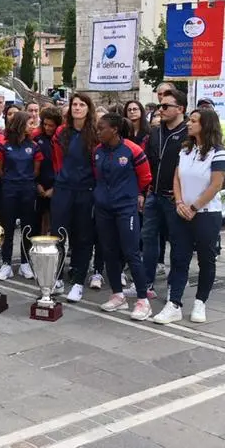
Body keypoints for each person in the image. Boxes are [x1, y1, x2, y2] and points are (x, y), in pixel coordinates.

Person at [153, 108, 225, 324]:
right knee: (179, 258)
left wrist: (194, 207)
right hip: (181, 212)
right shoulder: (185, 150)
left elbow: (215, 185)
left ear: (206, 125)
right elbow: (176, 179)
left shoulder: (218, 152)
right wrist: (179, 202)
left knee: (206, 259)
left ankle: (200, 301)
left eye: (194, 121)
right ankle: (174, 303)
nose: (188, 124)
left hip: (206, 214)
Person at [94, 113, 153, 320]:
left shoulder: (132, 150)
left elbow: (146, 177)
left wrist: (133, 195)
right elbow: (98, 177)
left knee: (131, 252)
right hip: (103, 209)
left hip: (125, 209)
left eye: (101, 128)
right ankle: (117, 295)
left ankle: (143, 300)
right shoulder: (98, 152)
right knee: (109, 251)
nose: (98, 131)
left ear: (115, 130)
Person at [51, 94, 99, 301]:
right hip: (63, 188)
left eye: (82, 105)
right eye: (74, 105)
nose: (77, 108)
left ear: (89, 109)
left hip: (86, 190)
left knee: (83, 237)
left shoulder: (96, 133)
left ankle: (78, 281)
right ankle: (57, 277)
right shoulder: (62, 132)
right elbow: (57, 160)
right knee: (58, 235)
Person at [141, 88, 188, 294]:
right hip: (154, 194)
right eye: (160, 105)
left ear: (180, 109)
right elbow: (148, 162)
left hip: (175, 197)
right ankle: (146, 282)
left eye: (166, 106)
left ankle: (174, 285)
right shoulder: (155, 132)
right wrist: (144, 191)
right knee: (149, 238)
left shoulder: (189, 133)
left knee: (177, 243)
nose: (161, 109)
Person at [0, 111, 41, 280]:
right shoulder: (4, 146)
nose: (33, 126)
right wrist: (11, 180)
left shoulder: (34, 146)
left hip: (28, 190)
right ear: (21, 125)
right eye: (30, 123)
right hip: (9, 189)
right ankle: (6, 263)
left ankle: (25, 263)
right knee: (7, 226)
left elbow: (36, 170)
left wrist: (25, 180)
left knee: (27, 226)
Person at [34, 107, 61, 236]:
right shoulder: (36, 138)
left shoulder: (62, 140)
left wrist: (55, 188)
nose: (48, 128)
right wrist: (37, 184)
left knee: (56, 223)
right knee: (38, 222)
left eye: (51, 125)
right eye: (45, 124)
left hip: (57, 185)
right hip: (39, 184)